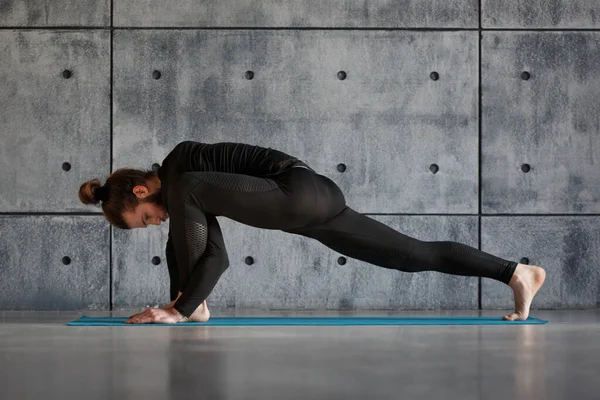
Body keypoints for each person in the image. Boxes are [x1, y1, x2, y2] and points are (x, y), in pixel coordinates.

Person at [79, 141, 546, 324]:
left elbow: (201, 250)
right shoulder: (188, 195)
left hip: (295, 189)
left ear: (142, 189)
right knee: (410, 254)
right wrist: (180, 296)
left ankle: (189, 305)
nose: (154, 222)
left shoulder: (183, 174)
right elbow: (208, 255)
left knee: (187, 200)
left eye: (143, 216)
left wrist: (177, 308)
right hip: (316, 207)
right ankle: (515, 273)